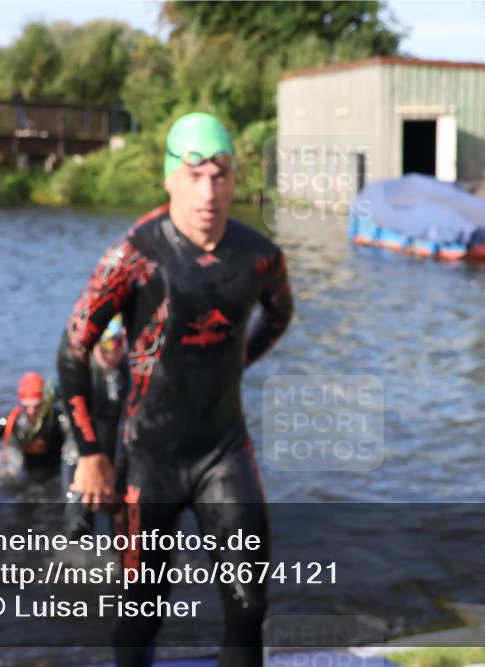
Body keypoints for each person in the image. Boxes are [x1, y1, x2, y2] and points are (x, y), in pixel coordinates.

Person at [57, 112, 294, 667]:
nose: (207, 193)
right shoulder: (133, 256)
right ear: (169, 178)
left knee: (248, 605)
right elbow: (73, 350)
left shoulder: (260, 256)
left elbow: (279, 315)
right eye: (194, 176)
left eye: (219, 175)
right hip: (149, 461)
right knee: (143, 608)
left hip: (223, 452)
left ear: (234, 181)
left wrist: (235, 363)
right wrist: (90, 454)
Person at [61, 314, 129, 539]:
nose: (111, 355)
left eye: (117, 348)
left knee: (120, 524)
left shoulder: (127, 369)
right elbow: (59, 403)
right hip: (80, 451)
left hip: (113, 450)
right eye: (105, 348)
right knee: (77, 525)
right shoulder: (81, 372)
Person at [0, 372, 70, 483]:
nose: (31, 411)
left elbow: (72, 435)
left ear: (44, 401)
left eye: (36, 406)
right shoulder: (12, 419)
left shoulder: (57, 417)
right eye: (26, 406)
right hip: (27, 469)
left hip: (54, 470)